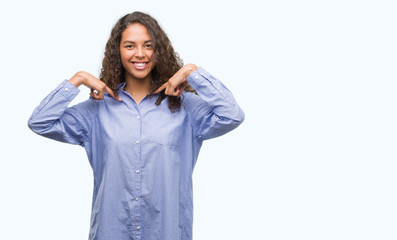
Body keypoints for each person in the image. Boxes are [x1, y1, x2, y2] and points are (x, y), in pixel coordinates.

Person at [28, 11, 244, 240]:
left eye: (148, 45)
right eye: (130, 46)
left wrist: (191, 72)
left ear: (159, 50)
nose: (140, 54)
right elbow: (40, 122)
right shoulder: (97, 109)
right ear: (117, 52)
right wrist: (78, 79)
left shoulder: (186, 106)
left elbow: (232, 115)